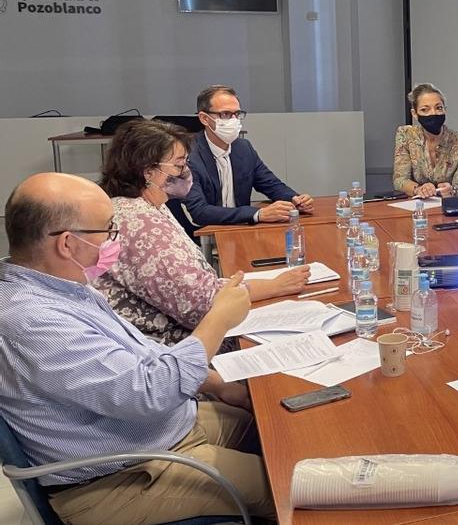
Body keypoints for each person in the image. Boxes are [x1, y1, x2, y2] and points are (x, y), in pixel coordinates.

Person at [0, 173, 275, 524]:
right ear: (67, 244)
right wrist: (218, 317)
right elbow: (149, 391)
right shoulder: (31, 320)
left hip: (157, 434)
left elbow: (141, 350)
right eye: (108, 230)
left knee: (274, 428)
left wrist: (214, 383)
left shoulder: (59, 285)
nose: (115, 239)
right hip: (121, 479)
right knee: (297, 483)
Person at [97, 120, 310, 347]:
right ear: (148, 171)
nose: (186, 172)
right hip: (174, 348)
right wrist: (275, 286)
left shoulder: (143, 206)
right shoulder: (142, 224)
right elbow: (202, 302)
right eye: (179, 166)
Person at [172, 85, 314, 236]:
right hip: (204, 235)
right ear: (204, 119)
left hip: (241, 230)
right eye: (225, 114)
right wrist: (258, 214)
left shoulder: (243, 148)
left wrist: (296, 200)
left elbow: (271, 184)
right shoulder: (187, 154)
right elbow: (200, 211)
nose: (234, 120)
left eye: (237, 114)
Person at [393, 82, 458, 198]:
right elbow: (399, 180)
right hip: (417, 207)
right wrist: (419, 190)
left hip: (448, 208)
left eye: (438, 108)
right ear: (414, 114)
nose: (433, 113)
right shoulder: (405, 135)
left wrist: (451, 191)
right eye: (425, 110)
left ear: (445, 110)